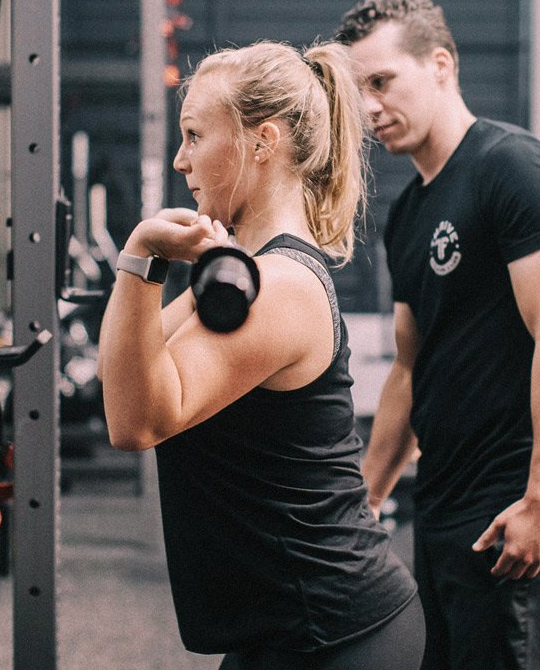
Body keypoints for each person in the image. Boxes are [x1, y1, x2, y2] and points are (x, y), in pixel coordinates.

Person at [98, 40, 425, 670]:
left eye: (195, 136)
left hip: (336, 633)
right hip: (289, 626)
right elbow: (125, 376)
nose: (180, 159)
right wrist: (144, 263)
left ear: (262, 142)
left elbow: (136, 422)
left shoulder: (281, 286)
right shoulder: (248, 270)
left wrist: (142, 254)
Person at [334, 0, 540, 670]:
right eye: (359, 92)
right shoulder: (407, 212)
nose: (369, 109)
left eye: (382, 82)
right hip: (442, 504)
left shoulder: (514, 167)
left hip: (512, 501)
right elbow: (409, 370)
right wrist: (368, 499)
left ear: (441, 64)